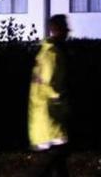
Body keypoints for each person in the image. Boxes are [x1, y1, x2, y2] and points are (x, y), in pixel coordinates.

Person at [28, 14, 71, 177]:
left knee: (57, 160)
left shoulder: (44, 52)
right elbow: (50, 85)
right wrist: (62, 99)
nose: (68, 33)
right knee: (55, 157)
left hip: (42, 113)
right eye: (65, 29)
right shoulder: (53, 54)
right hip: (51, 115)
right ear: (58, 30)